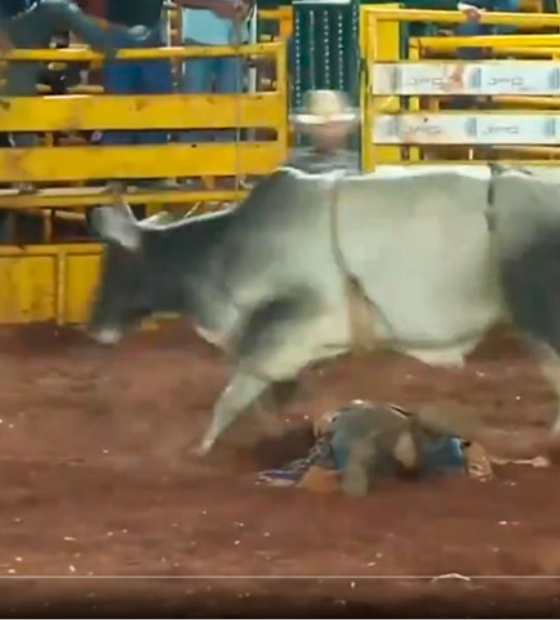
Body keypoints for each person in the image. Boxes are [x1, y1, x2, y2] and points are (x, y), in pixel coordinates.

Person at [102, 0, 179, 190]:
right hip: (119, 34)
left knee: (156, 106)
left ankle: (153, 174)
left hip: (150, 35)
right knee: (119, 108)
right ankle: (118, 175)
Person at [176, 0, 252, 144]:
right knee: (195, 109)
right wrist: (214, 4)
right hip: (199, 39)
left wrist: (245, 6)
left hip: (235, 41)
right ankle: (193, 158)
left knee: (231, 112)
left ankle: (228, 160)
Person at [287, 89, 360, 174]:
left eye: (334, 126)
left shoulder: (360, 164)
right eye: (322, 126)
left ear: (346, 128)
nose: (329, 132)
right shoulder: (294, 168)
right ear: (310, 129)